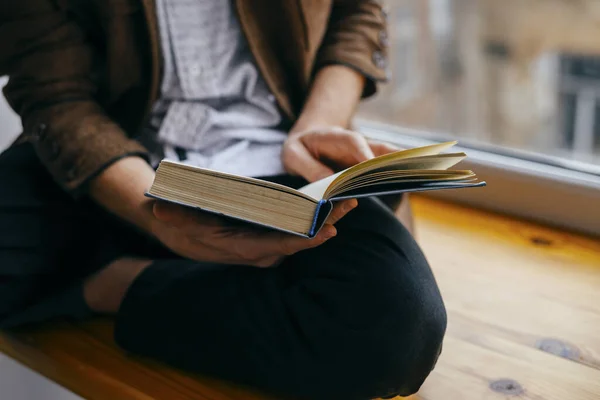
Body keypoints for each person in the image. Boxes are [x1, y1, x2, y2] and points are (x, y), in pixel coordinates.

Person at [0, 1, 446, 399]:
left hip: (276, 157)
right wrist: (156, 215)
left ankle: (115, 285)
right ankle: (204, 270)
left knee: (397, 325)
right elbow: (56, 93)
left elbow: (358, 12)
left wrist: (313, 130)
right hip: (112, 163)